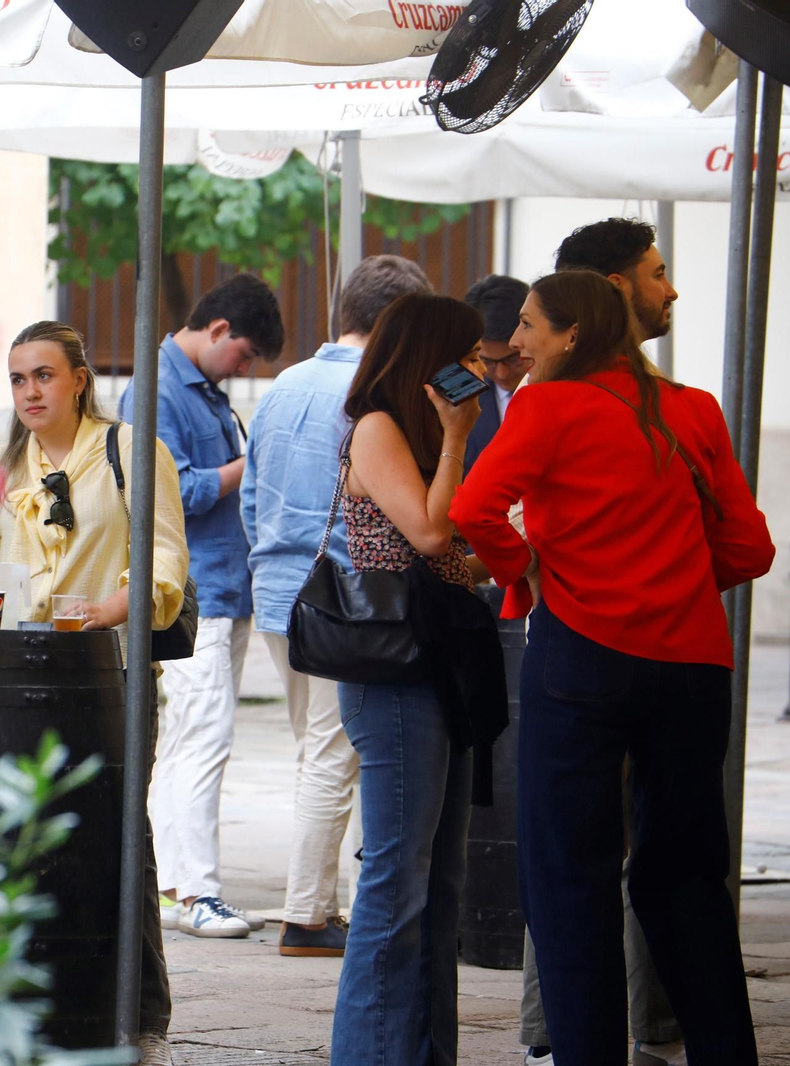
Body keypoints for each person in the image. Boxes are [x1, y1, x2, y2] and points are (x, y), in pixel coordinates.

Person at [451, 270, 775, 1066]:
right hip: (693, 665)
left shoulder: (546, 405)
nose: (515, 341)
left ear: (570, 335)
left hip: (582, 658)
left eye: (528, 325)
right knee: (689, 878)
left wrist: (524, 568)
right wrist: (674, 577)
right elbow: (750, 549)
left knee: (569, 879)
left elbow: (472, 510)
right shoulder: (692, 407)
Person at [0, 320, 189, 1064]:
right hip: (16, 683)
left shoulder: (131, 452)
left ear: (79, 378)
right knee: (19, 837)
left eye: (43, 376)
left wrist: (112, 606)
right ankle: (27, 997)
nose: (29, 392)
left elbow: (165, 556)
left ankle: (138, 1014)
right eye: (17, 379)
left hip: (106, 674)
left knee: (114, 834)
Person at [515, 217, 684, 1066]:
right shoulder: (559, 400)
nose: (671, 289)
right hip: (631, 650)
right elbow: (483, 514)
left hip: (596, 646)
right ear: (611, 293)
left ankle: (612, 1029)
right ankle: (574, 1031)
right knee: (593, 858)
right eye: (657, 274)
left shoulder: (663, 401)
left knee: (581, 857)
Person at [327, 294, 506, 1066]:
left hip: (442, 658)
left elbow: (444, 555)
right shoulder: (377, 428)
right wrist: (461, 439)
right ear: (425, 355)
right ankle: (368, 1055)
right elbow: (429, 529)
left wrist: (496, 559)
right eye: (465, 354)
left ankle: (426, 1052)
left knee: (441, 880)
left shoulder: (425, 432)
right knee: (397, 877)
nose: (478, 368)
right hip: (393, 668)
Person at [239, 254, 432, 958]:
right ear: (395, 325)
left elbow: (251, 494)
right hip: (346, 600)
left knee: (319, 750)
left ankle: (337, 903)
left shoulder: (285, 384)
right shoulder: (375, 389)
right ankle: (309, 915)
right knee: (334, 753)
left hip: (278, 592)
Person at [119, 273, 285, 940]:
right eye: (244, 356)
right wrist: (255, 462)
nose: (244, 370)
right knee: (202, 739)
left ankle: (167, 883)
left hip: (223, 588)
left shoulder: (198, 387)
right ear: (218, 330)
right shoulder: (156, 388)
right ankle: (195, 892)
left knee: (192, 738)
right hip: (198, 593)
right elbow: (169, 491)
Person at [462, 274, 532, 473]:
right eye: (487, 361)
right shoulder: (460, 395)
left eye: (512, 358)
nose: (502, 373)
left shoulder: (562, 386)